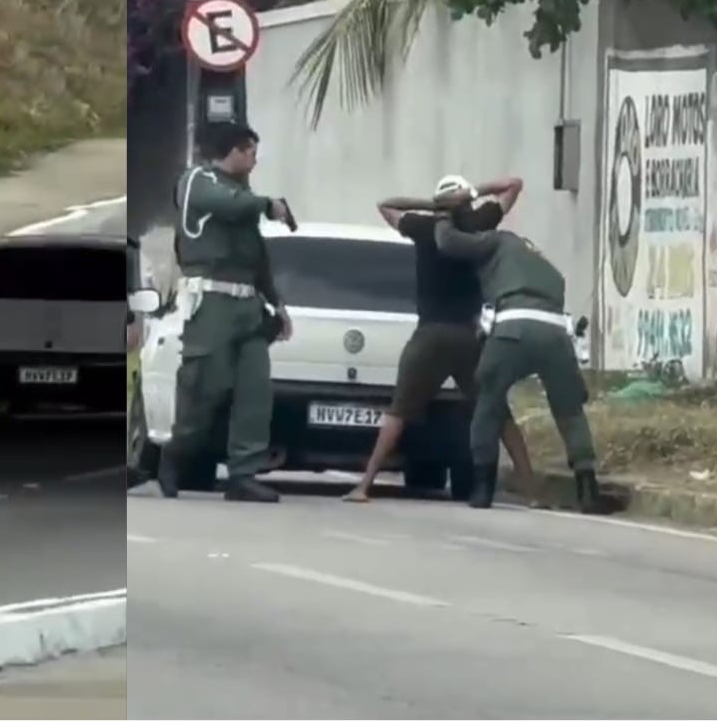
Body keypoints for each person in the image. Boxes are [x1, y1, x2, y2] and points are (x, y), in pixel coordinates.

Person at [342, 174, 547, 507]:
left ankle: (364, 485)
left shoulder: (424, 229)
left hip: (430, 334)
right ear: (464, 200)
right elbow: (514, 184)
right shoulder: (479, 221)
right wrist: (472, 195)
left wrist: (433, 207)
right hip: (470, 335)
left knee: (399, 411)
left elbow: (386, 205)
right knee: (498, 412)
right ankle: (533, 493)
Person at [432, 198, 611, 513]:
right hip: (556, 332)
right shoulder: (543, 262)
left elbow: (447, 242)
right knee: (569, 411)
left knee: (489, 401)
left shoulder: (498, 239)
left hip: (512, 327)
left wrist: (444, 215)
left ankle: (482, 487)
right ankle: (587, 487)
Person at [159, 122, 292, 504]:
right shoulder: (197, 181)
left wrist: (276, 303)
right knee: (204, 387)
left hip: (247, 302)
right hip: (212, 300)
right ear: (231, 150)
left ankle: (243, 473)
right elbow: (226, 205)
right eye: (249, 150)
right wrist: (268, 205)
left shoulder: (241, 192)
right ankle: (175, 455)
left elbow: (256, 255)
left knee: (255, 390)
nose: (253, 158)